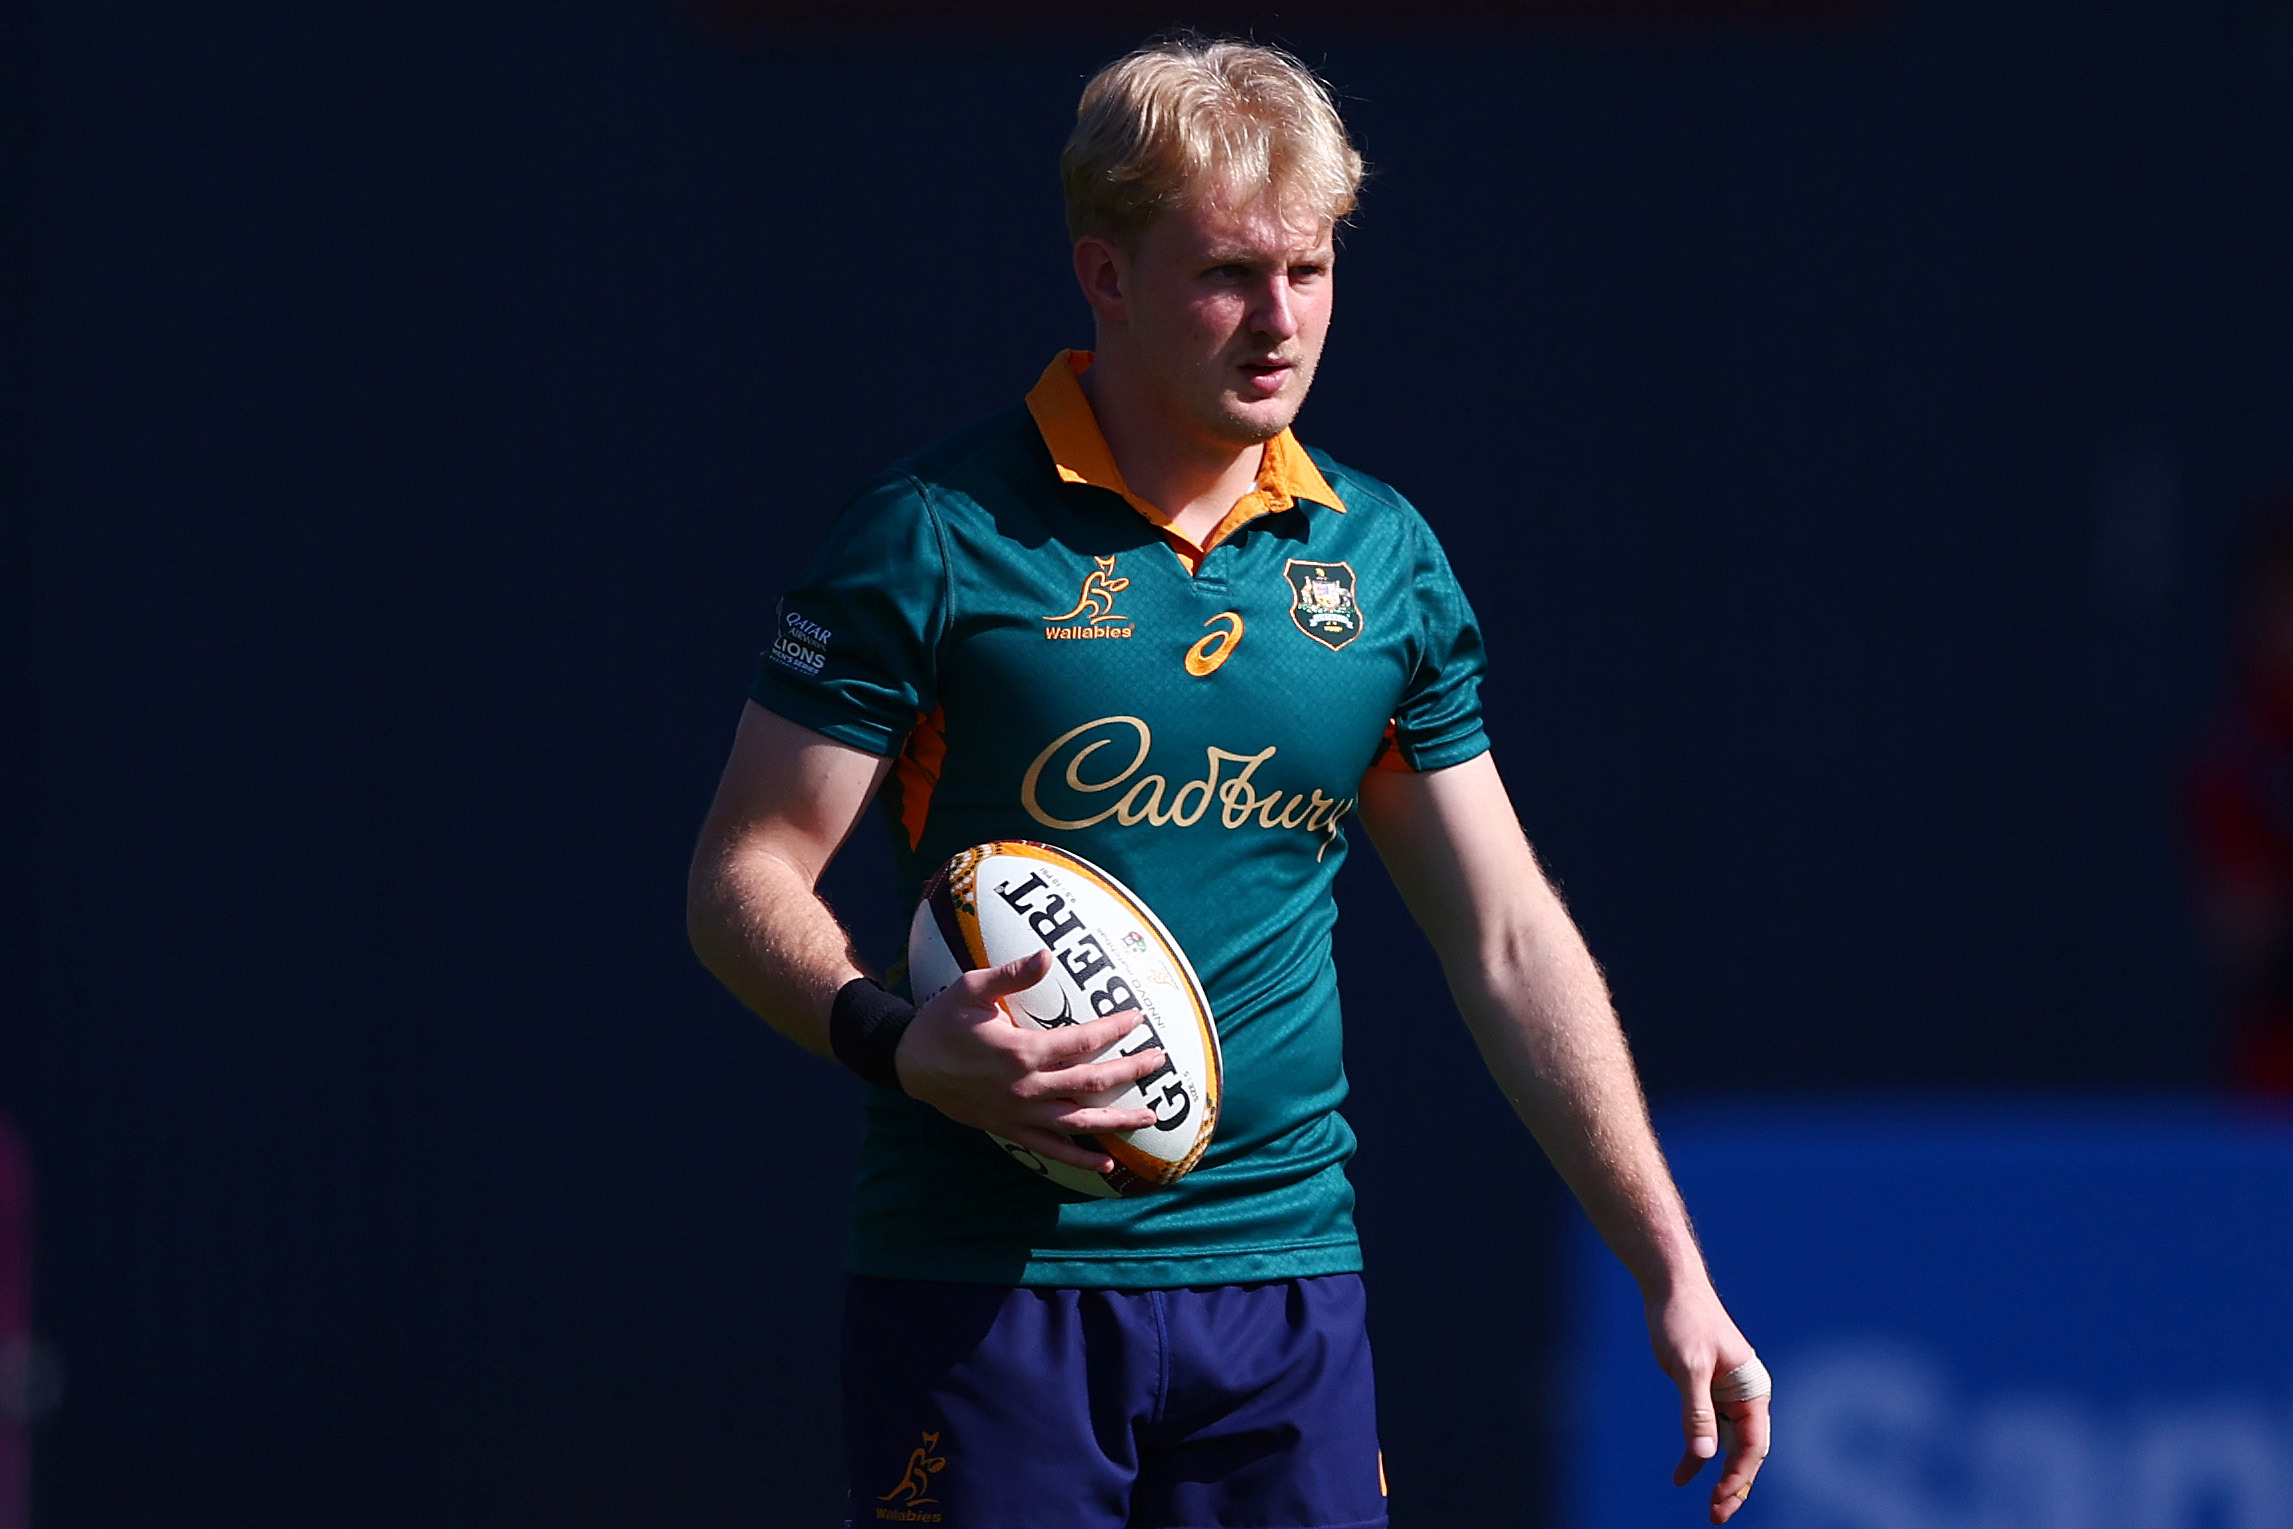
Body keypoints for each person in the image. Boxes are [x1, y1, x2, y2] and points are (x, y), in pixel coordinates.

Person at [687, 38, 1770, 1528]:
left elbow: (1507, 937)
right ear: (1105, 273)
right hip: (989, 1290)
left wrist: (1670, 1266)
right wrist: (896, 1038)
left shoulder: (1378, 560)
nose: (1280, 322)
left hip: (1284, 1293)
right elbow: (741, 873)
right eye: (1226, 275)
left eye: (1309, 270)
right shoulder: (932, 532)